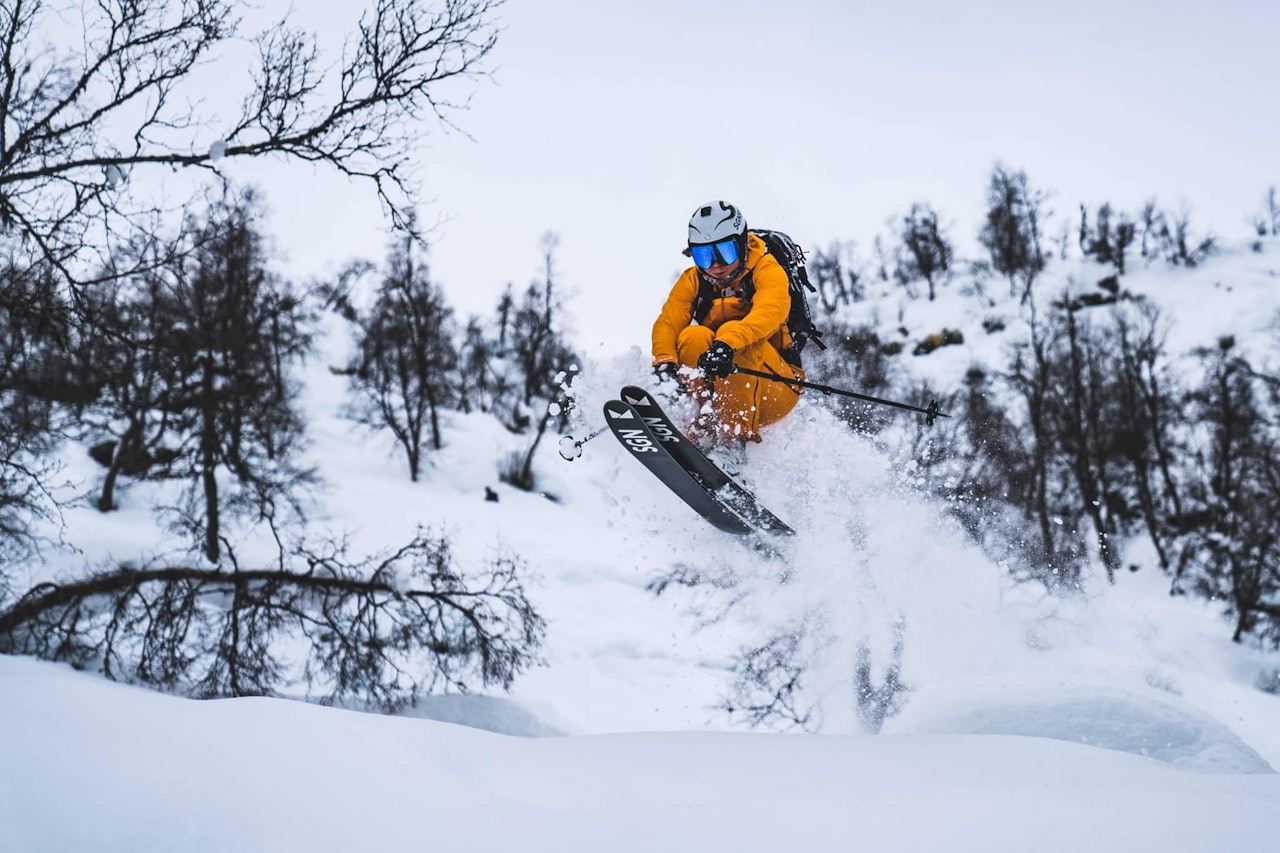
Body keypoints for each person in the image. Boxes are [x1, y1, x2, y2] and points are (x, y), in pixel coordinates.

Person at [650, 200, 803, 449]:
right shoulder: (693, 280)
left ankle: (732, 446)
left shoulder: (766, 270)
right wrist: (665, 360)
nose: (716, 265)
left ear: (742, 245)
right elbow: (669, 321)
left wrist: (727, 345)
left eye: (725, 252)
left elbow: (770, 312)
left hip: (774, 388)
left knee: (731, 333)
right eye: (704, 255)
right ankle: (703, 433)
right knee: (692, 336)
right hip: (721, 387)